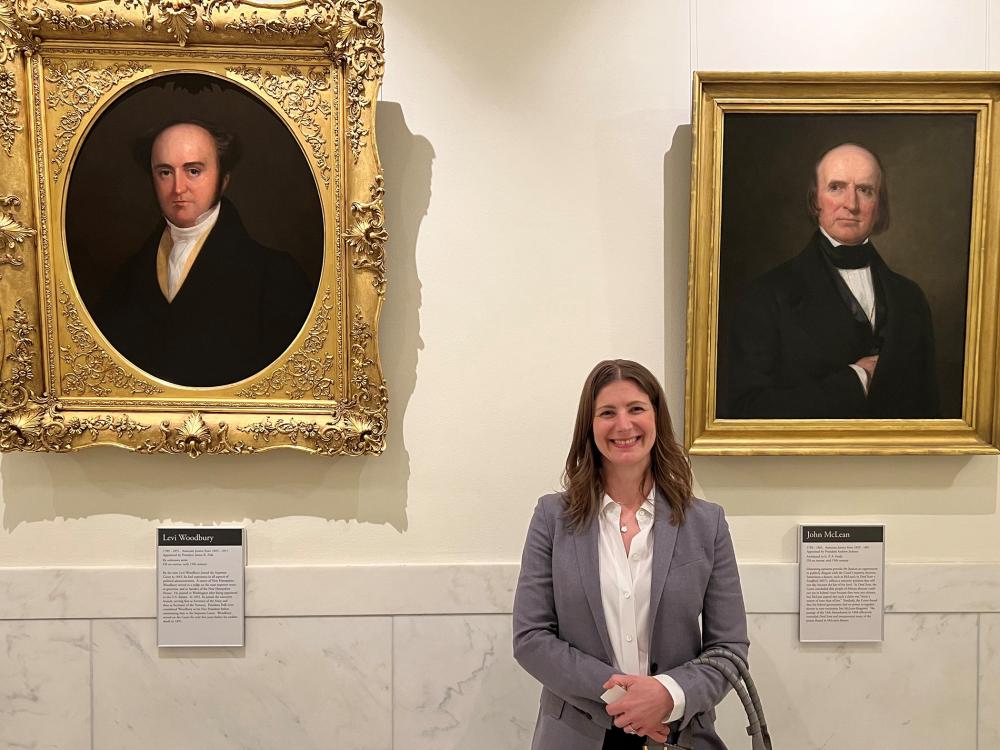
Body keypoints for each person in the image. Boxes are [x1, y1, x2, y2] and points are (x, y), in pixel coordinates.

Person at [513, 360, 748, 749]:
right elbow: (531, 638)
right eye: (607, 412)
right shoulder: (551, 518)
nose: (623, 426)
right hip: (576, 735)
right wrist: (625, 700)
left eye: (636, 409)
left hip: (677, 735)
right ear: (590, 427)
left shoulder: (707, 524)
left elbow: (730, 648)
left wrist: (668, 695)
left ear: (657, 417)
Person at [725, 142, 939, 419]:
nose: (851, 204)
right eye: (836, 187)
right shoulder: (766, 296)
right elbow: (746, 412)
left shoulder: (911, 298)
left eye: (865, 190)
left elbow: (930, 413)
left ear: (879, 204)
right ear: (815, 200)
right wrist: (856, 379)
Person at [94, 119, 312, 388]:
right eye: (165, 173)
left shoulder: (276, 276)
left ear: (223, 180)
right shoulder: (126, 278)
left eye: (193, 171)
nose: (177, 188)